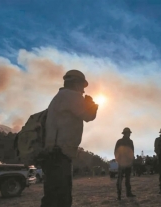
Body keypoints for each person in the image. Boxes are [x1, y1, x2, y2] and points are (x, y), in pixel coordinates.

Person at [41, 69, 98, 207]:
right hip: (60, 154)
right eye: (82, 87)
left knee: (51, 197)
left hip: (51, 154)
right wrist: (91, 104)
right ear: (77, 84)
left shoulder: (59, 97)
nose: (83, 91)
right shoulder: (71, 96)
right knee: (62, 199)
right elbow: (89, 116)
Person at [114, 127, 136, 201]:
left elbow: (132, 151)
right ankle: (119, 195)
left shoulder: (130, 142)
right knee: (120, 179)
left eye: (129, 133)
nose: (129, 134)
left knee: (127, 179)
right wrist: (118, 160)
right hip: (122, 162)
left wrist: (131, 160)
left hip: (128, 162)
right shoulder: (119, 141)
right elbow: (116, 151)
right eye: (128, 133)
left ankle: (128, 193)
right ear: (125, 133)